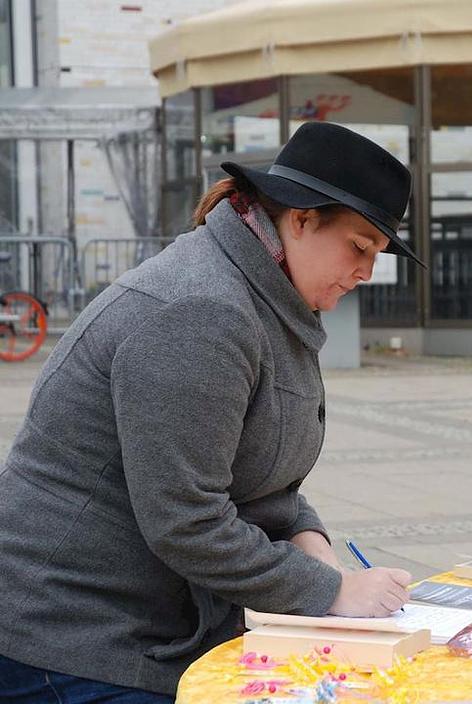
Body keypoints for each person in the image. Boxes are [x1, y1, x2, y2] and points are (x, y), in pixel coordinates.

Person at [0, 122, 422, 702]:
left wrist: (307, 537)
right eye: (359, 246)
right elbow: (187, 520)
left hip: (144, 625)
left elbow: (247, 467)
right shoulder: (200, 311)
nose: (367, 272)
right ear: (300, 218)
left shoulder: (264, 295)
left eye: (377, 253)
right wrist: (329, 592)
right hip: (76, 639)